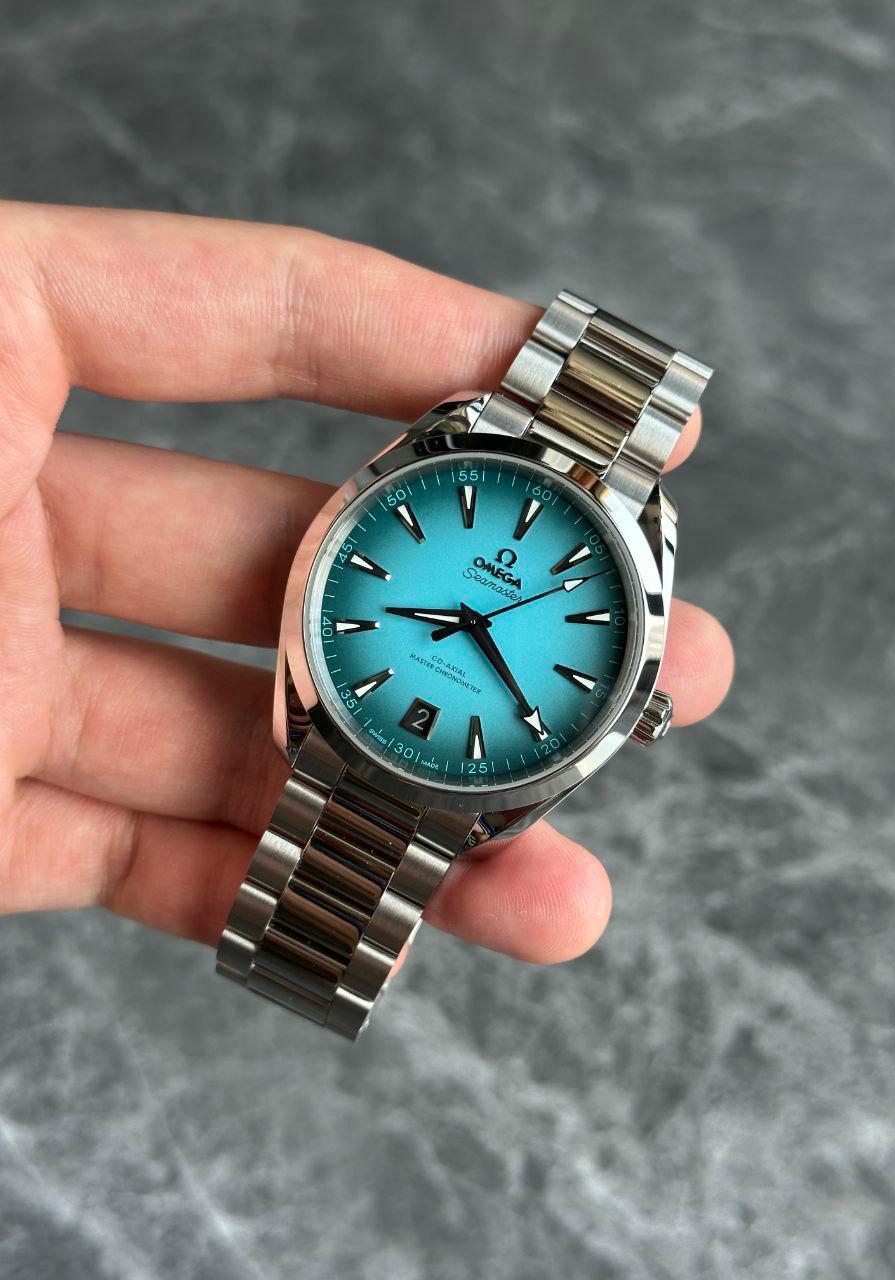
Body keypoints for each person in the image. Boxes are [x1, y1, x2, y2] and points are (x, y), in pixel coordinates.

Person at [0, 202, 734, 966]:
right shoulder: (458, 447)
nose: (476, 622)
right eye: (473, 618)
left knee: (328, 950)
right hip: (363, 720)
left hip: (423, 756)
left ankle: (306, 966)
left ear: (633, 707)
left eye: (478, 625)